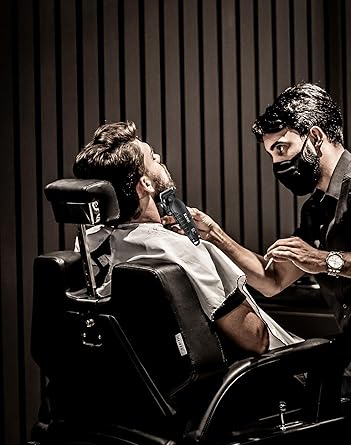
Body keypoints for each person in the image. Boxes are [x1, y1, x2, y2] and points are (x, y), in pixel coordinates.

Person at [179, 82, 351, 445]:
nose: (276, 164)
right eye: (270, 154)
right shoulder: (317, 207)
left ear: (315, 136)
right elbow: (273, 280)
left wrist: (325, 260)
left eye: (281, 148)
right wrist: (214, 234)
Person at [72, 120, 303, 358]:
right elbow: (256, 338)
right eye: (152, 157)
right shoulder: (179, 249)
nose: (159, 157)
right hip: (275, 367)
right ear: (145, 184)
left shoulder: (88, 246)